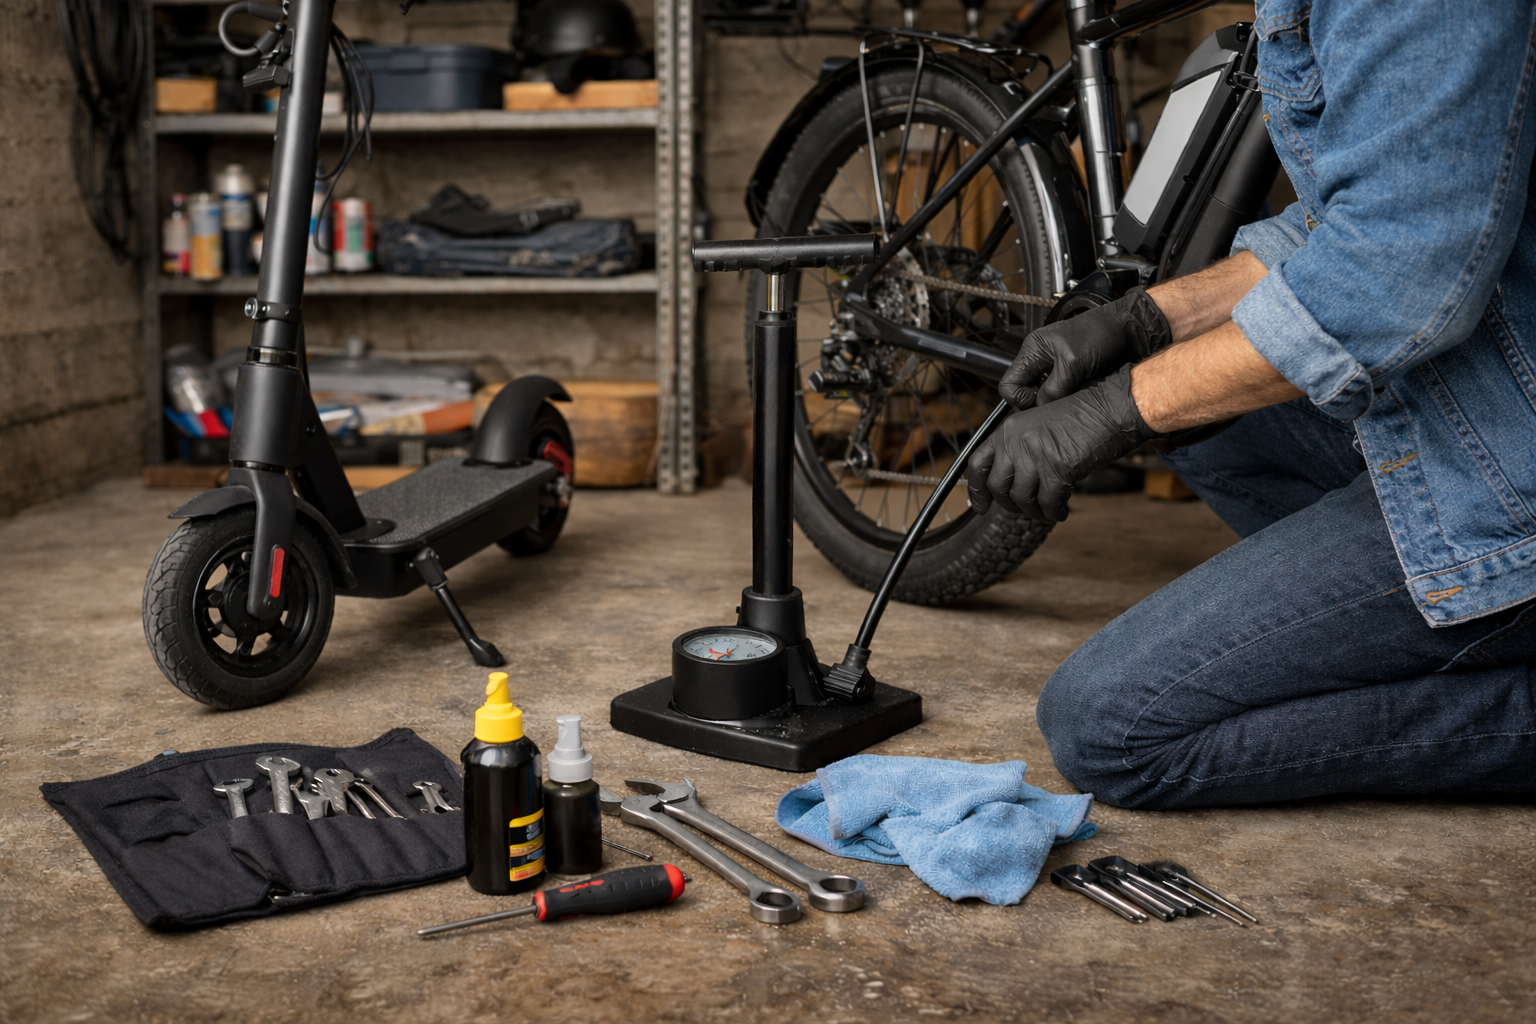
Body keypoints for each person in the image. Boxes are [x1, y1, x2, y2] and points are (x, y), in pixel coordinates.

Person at [967, 0, 1536, 808]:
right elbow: (1353, 217)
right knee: (1208, 421)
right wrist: (1146, 320)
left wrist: (1113, 410)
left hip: (1509, 471)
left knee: (1111, 731)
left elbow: (1394, 272)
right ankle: (1428, 627)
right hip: (1476, 406)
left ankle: (1487, 619)